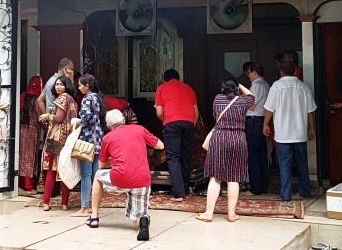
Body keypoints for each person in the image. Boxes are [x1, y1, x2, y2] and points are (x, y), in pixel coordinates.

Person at [88, 109, 164, 240]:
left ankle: (94, 217)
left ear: (109, 126)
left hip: (120, 179)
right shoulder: (139, 129)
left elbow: (101, 165)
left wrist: (113, 160)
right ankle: (143, 220)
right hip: (142, 180)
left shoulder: (107, 138)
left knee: (98, 175)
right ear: (123, 120)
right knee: (136, 222)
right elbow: (160, 145)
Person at [196, 79, 255, 222]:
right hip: (237, 139)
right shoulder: (242, 101)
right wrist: (240, 86)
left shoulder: (217, 99)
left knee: (215, 177)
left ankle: (209, 213)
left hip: (220, 137)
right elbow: (252, 97)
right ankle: (231, 214)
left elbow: (216, 116)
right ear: (236, 89)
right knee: (233, 177)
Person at [263, 58, 316, 202]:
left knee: (284, 164)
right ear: (294, 71)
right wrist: (312, 128)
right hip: (300, 133)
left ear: (281, 71)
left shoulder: (276, 86)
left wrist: (265, 124)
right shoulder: (303, 87)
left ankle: (286, 195)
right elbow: (310, 111)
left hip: (283, 134)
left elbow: (269, 108)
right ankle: (305, 191)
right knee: (302, 163)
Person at [154, 68, 198, 201]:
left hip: (171, 123)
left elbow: (159, 113)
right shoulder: (189, 88)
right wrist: (190, 124)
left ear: (164, 79)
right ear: (178, 78)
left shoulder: (161, 88)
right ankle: (185, 188)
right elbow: (196, 113)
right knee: (186, 156)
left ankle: (179, 193)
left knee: (173, 157)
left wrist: (168, 121)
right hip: (189, 122)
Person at [38, 75, 77, 211]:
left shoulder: (62, 98)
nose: (58, 87)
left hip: (56, 139)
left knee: (51, 170)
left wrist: (46, 116)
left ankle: (46, 203)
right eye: (57, 84)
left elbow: (59, 118)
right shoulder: (71, 99)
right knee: (65, 169)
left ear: (66, 86)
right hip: (68, 139)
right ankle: (64, 204)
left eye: (61, 84)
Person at [72, 74, 106, 218]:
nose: (79, 88)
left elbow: (85, 118)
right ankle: (94, 207)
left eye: (80, 85)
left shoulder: (87, 98)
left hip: (87, 140)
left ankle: (84, 207)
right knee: (96, 175)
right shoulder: (99, 98)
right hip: (98, 139)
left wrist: (77, 121)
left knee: (85, 175)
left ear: (87, 86)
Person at [244, 62, 269, 196]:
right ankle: (263, 185)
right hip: (262, 120)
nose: (249, 77)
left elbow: (251, 106)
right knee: (261, 154)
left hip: (253, 121)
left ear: (253, 71)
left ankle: (256, 188)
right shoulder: (266, 85)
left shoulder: (256, 86)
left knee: (253, 155)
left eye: (249, 74)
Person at [18, 75, 43, 195]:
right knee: (29, 157)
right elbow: (40, 117)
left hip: (21, 130)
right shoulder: (37, 100)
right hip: (32, 132)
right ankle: (28, 186)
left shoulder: (23, 96)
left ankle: (20, 183)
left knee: (21, 156)